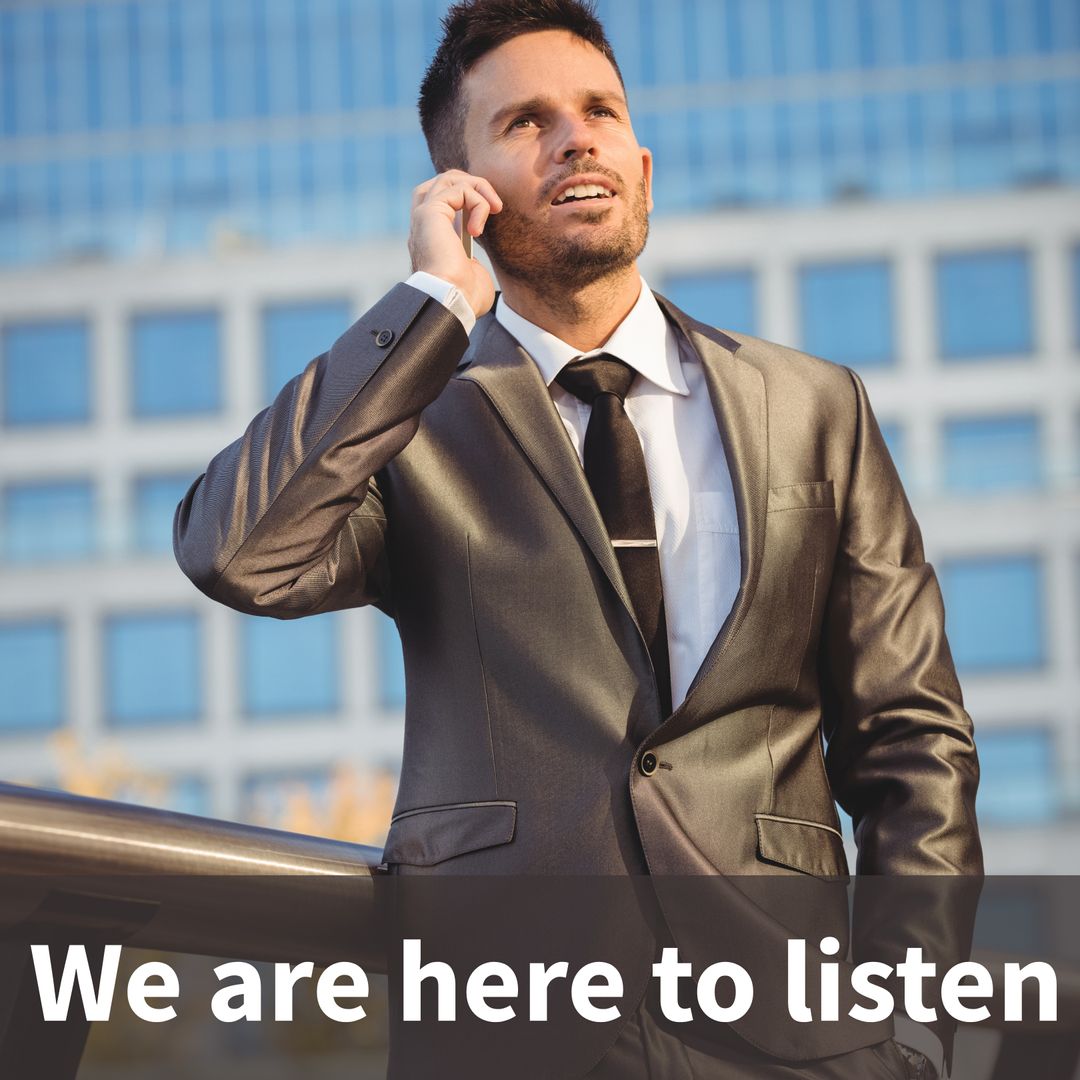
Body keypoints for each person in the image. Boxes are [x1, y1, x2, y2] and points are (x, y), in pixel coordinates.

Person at [174, 2, 981, 1076]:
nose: (575, 137)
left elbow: (911, 738)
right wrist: (428, 305)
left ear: (642, 162)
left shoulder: (815, 406)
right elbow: (238, 551)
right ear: (463, 197)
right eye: (526, 123)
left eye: (600, 109)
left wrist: (918, 1023)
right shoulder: (411, 424)